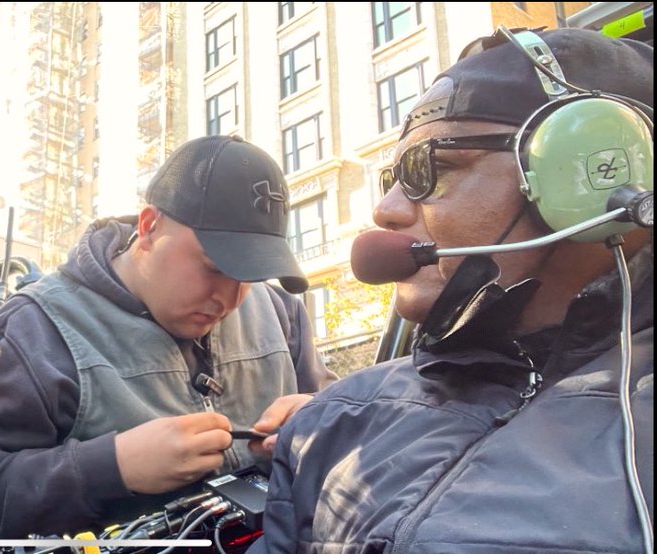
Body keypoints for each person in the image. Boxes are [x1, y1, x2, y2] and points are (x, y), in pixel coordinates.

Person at [253, 28, 653, 553]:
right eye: (392, 177)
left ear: (593, 179)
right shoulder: (333, 419)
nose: (386, 210)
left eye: (432, 168)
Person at [0, 134, 335, 539]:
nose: (230, 298)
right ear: (150, 226)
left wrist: (323, 420)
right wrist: (111, 466)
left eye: (250, 274)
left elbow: (359, 442)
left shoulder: (283, 314)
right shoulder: (31, 333)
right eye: (214, 267)